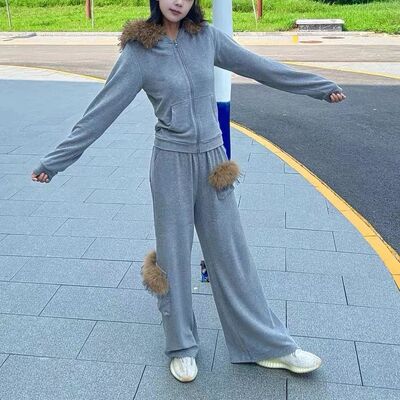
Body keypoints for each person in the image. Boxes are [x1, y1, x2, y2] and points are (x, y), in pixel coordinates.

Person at [31, 0, 346, 383]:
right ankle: (180, 347)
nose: (177, 1)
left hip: (213, 163)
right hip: (171, 164)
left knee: (231, 255)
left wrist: (318, 87)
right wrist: (55, 161)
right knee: (173, 258)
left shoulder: (207, 38)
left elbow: (261, 67)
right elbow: (101, 111)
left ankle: (267, 345)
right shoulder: (139, 52)